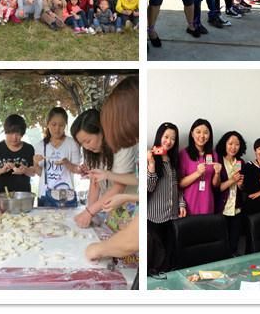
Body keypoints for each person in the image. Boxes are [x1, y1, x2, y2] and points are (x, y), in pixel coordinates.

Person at [85, 76, 139, 261]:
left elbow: (133, 239)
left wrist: (99, 249)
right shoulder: (139, 146)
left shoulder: (137, 146)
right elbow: (139, 179)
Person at [70, 108, 135, 229]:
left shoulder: (122, 146)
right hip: (111, 210)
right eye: (82, 144)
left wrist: (90, 212)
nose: (86, 147)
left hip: (131, 208)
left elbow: (119, 187)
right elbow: (94, 184)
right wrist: (90, 212)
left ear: (102, 131)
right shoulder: (93, 153)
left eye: (88, 141)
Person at [147, 122, 186, 272]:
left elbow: (177, 186)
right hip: (154, 217)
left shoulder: (173, 160)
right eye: (166, 137)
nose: (169, 141)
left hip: (172, 216)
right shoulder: (150, 157)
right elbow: (148, 188)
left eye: (173, 138)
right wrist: (151, 165)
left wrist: (181, 204)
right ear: (159, 137)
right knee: (155, 259)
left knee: (169, 258)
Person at [0, 114, 36, 210]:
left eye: (18, 134)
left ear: (22, 133)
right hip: (0, 197)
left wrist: (25, 170)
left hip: (22, 197)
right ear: (6, 131)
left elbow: (33, 172)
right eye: (11, 133)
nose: (14, 137)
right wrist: (1, 170)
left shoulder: (29, 149)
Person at [33, 107, 81, 207]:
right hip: (45, 195)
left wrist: (67, 163)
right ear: (47, 124)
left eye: (61, 125)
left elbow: (78, 170)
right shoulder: (40, 146)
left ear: (65, 125)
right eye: (53, 124)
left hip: (67, 195)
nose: (57, 129)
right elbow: (39, 173)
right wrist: (35, 163)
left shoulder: (72, 144)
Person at [178, 118, 221, 215]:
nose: (202, 136)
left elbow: (216, 185)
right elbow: (180, 183)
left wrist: (217, 173)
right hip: (189, 204)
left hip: (208, 203)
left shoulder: (214, 155)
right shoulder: (183, 154)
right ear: (192, 134)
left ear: (209, 136)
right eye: (198, 132)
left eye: (206, 132)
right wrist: (197, 173)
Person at [214, 130, 246, 255]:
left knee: (234, 243)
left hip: (237, 209)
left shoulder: (241, 162)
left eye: (237, 144)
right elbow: (217, 189)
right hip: (222, 209)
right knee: (220, 244)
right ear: (224, 144)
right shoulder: (218, 161)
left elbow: (243, 188)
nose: (233, 147)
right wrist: (232, 180)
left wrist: (241, 184)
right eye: (230, 143)